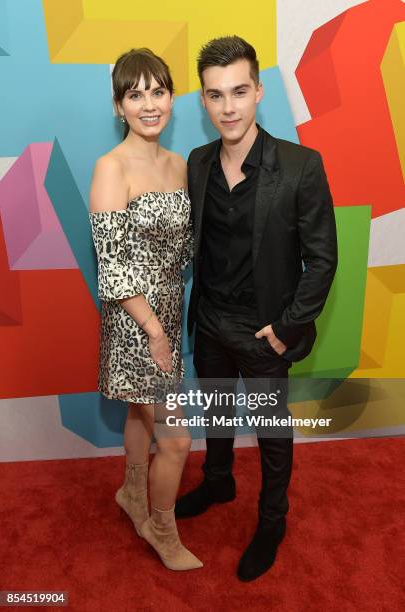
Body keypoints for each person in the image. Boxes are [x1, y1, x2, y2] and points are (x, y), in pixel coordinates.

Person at [175, 36, 338, 581]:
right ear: (202, 100)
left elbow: (322, 260)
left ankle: (273, 519)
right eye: (216, 95)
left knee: (271, 433)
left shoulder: (300, 166)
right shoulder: (197, 163)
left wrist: (288, 326)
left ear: (259, 92)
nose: (228, 107)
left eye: (239, 92)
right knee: (218, 412)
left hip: (266, 328)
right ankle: (219, 479)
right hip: (211, 320)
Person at [88, 48, 202, 571]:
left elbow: (184, 251)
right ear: (119, 106)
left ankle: (132, 492)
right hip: (136, 320)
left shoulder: (179, 164)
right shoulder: (110, 168)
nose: (149, 104)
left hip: (168, 312)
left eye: (158, 91)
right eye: (135, 94)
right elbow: (113, 266)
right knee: (176, 438)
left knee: (140, 410)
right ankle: (162, 528)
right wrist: (155, 329)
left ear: (172, 98)